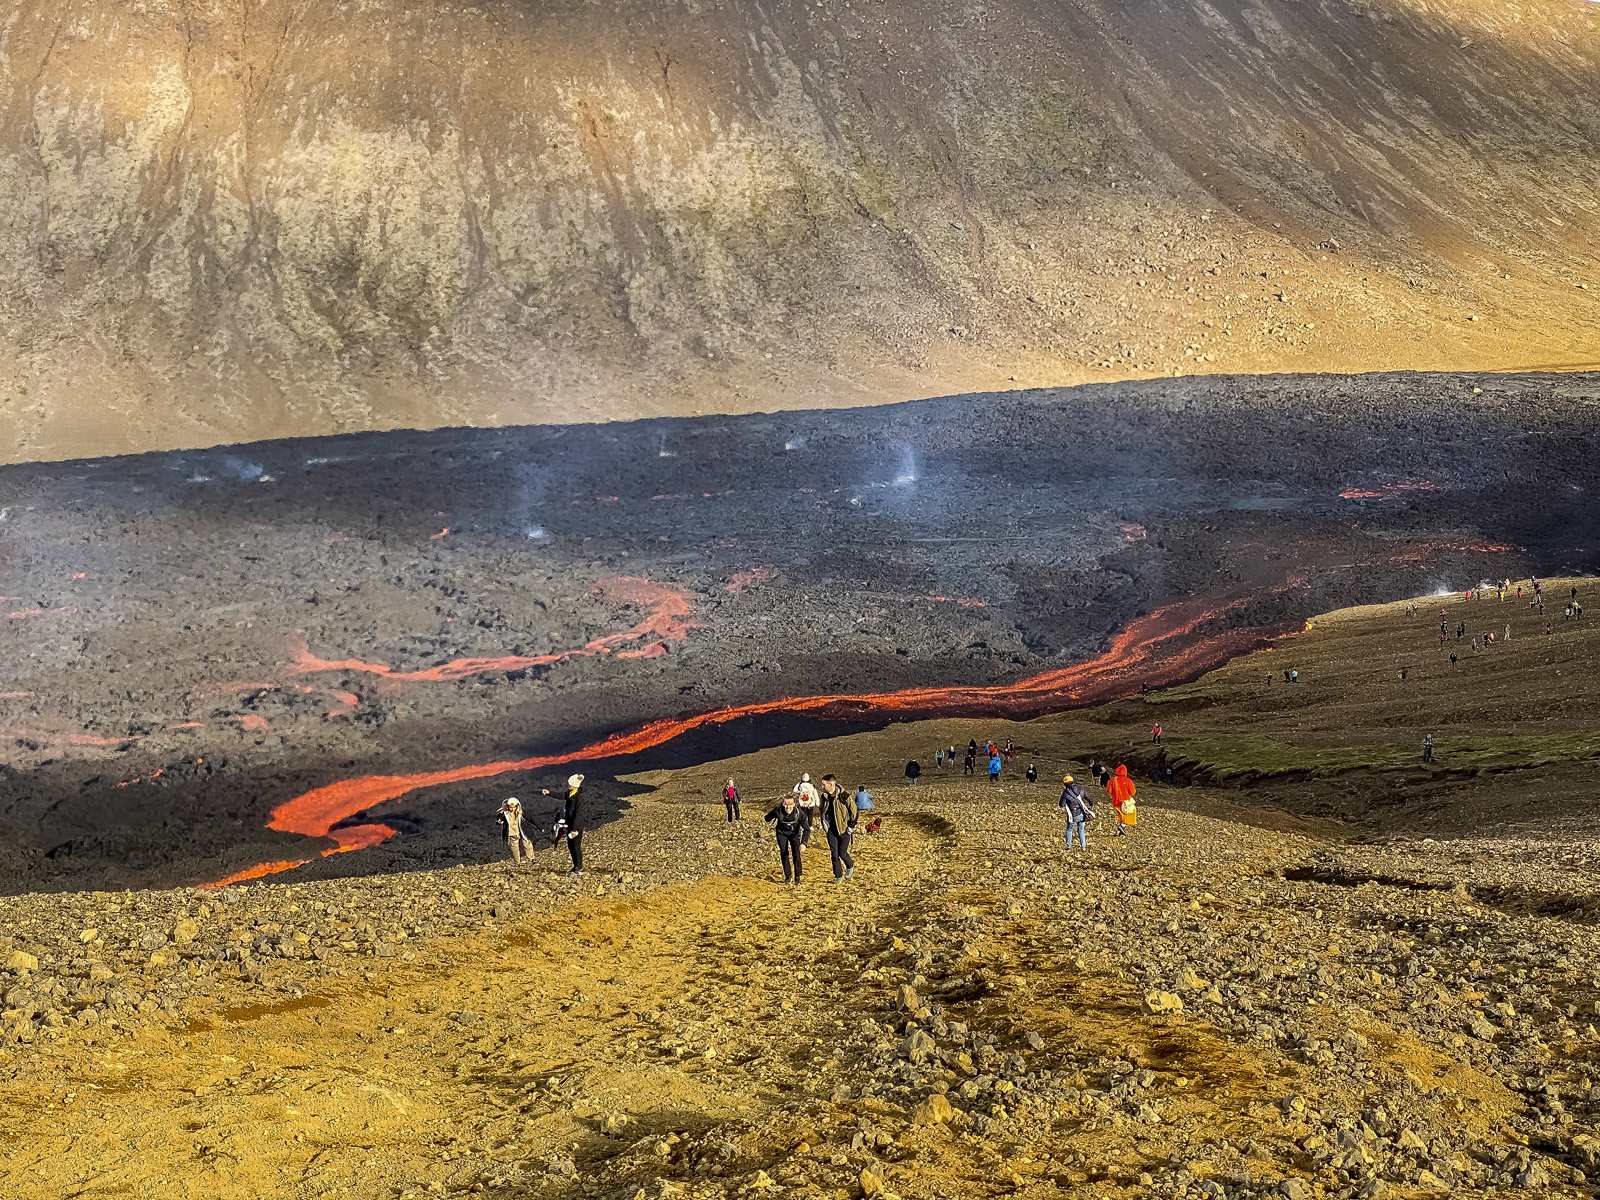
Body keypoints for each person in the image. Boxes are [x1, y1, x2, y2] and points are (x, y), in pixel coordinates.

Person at [540, 774, 587, 875]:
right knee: (571, 845)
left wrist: (574, 829)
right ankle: (576, 866)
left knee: (576, 846)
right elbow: (561, 795)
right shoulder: (571, 793)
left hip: (576, 826)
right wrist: (549, 793)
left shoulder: (578, 798)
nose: (568, 786)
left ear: (573, 785)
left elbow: (578, 815)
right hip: (570, 825)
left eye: (569, 784)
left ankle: (579, 868)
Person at [818, 773, 858, 882]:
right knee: (834, 855)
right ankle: (838, 876)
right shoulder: (824, 797)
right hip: (831, 830)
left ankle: (850, 865)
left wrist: (851, 826)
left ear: (831, 784)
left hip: (844, 830)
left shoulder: (844, 796)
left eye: (824, 784)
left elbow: (854, 810)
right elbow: (822, 811)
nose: (822, 787)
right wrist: (824, 824)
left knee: (842, 853)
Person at [764, 793, 807, 885]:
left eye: (790, 804)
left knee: (796, 854)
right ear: (783, 804)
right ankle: (788, 876)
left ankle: (797, 876)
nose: (788, 807)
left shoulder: (800, 814)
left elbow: (806, 829)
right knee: (784, 853)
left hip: (794, 834)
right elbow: (767, 818)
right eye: (786, 804)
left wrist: (804, 843)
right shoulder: (778, 811)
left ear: (794, 804)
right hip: (781, 833)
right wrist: (770, 815)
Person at [1058, 774, 1094, 851]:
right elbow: (1087, 797)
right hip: (1082, 813)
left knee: (1069, 829)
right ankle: (1083, 846)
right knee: (1081, 830)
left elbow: (1061, 804)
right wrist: (1091, 804)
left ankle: (1068, 846)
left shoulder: (1065, 792)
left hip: (1073, 814)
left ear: (1065, 783)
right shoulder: (1081, 789)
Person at [496, 797, 534, 862]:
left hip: (521, 832)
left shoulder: (521, 812)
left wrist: (540, 827)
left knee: (527, 845)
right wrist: (499, 822)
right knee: (514, 848)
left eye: (513, 807)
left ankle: (531, 859)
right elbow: (499, 820)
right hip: (512, 833)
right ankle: (517, 862)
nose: (512, 809)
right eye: (510, 807)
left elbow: (531, 819)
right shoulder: (505, 813)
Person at [1107, 765, 1137, 836]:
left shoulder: (1113, 780)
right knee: (1129, 814)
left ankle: (1121, 830)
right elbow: (1132, 792)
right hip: (1126, 802)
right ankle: (1122, 826)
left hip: (1115, 802)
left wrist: (1115, 793)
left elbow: (1109, 790)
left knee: (1120, 815)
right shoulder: (1128, 781)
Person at [793, 773, 820, 845]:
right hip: (810, 803)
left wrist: (799, 786)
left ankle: (803, 826)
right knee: (810, 814)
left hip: (802, 803)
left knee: (803, 815)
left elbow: (795, 790)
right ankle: (810, 826)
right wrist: (818, 803)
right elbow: (815, 794)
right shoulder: (811, 786)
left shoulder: (800, 785)